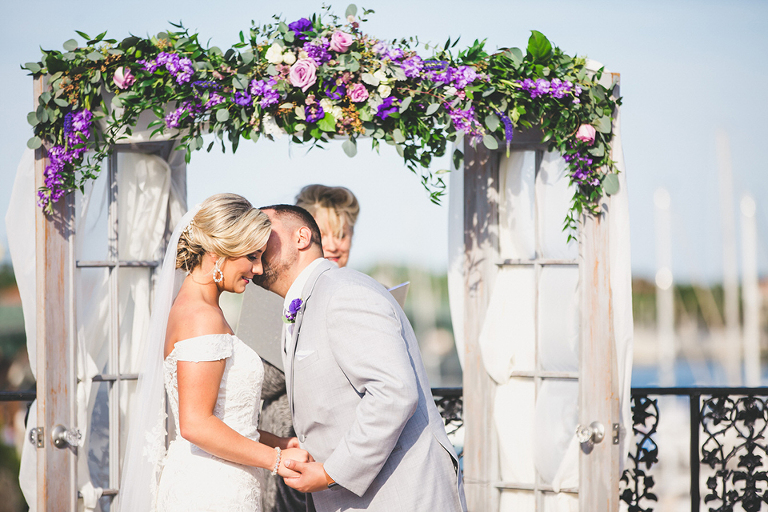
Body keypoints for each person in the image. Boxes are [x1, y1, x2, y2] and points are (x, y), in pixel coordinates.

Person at [253, 205, 467, 512]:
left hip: (399, 497)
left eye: (263, 229)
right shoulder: (307, 302)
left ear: (301, 237)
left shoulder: (344, 293)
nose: (253, 241)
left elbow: (393, 393)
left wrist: (331, 472)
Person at [119, 194, 310, 512]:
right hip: (210, 491)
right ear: (218, 252)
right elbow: (196, 424)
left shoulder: (198, 308)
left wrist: (279, 442)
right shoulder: (201, 316)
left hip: (219, 482)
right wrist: (276, 460)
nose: (258, 268)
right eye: (252, 255)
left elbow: (226, 421)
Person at [259, 185, 360, 512]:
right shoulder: (273, 294)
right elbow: (258, 382)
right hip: (289, 441)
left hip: (346, 448)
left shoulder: (358, 293)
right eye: (324, 234)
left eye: (342, 235)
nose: (332, 244)